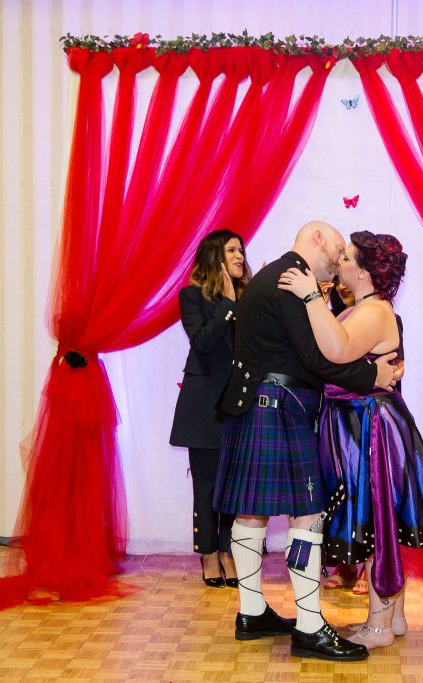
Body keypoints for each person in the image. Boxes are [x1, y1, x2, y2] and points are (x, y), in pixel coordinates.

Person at [213, 220, 400, 662]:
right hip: (281, 404)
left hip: (260, 402)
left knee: (251, 511)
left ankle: (252, 612)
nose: (339, 259)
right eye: (337, 248)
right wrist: (371, 375)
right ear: (317, 239)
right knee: (308, 514)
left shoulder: (273, 277)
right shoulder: (290, 281)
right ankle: (311, 628)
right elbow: (317, 358)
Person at [278, 230, 423, 648]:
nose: (341, 263)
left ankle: (379, 625)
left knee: (376, 523)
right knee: (382, 519)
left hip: (369, 428)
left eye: (348, 258)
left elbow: (336, 352)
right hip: (364, 423)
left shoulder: (372, 312)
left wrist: (310, 296)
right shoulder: (367, 308)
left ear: (365, 272)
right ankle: (395, 618)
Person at [170, 230, 251, 588]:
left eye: (241, 249)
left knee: (232, 485)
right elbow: (202, 341)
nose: (240, 255)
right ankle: (208, 554)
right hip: (203, 406)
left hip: (237, 404)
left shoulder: (247, 297)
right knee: (205, 485)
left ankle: (227, 551)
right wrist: (228, 304)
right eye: (232, 250)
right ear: (215, 256)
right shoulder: (191, 296)